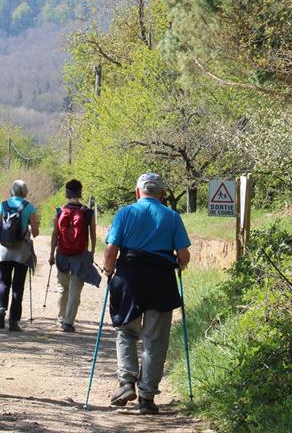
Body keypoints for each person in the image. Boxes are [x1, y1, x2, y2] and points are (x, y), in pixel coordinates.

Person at [101, 173, 191, 415]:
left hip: (128, 278)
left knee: (126, 331)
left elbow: (111, 251)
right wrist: (178, 266)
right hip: (161, 281)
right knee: (155, 340)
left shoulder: (125, 213)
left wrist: (108, 271)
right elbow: (183, 256)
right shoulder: (172, 217)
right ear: (162, 194)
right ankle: (147, 398)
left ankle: (126, 382)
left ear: (137, 192)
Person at [49, 179, 101, 333]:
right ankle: (68, 322)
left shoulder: (59, 211)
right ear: (80, 193)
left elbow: (55, 234)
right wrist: (91, 252)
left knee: (62, 289)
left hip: (62, 254)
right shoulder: (88, 213)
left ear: (66, 193)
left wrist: (52, 254)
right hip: (80, 255)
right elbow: (93, 234)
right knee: (75, 290)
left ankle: (61, 318)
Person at [0, 180, 39, 331]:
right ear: (25, 192)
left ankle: (1, 309)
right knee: (18, 285)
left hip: (4, 251)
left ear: (11, 190)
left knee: (3, 282)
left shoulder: (3, 205)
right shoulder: (29, 207)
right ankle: (13, 321)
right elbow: (36, 232)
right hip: (22, 252)